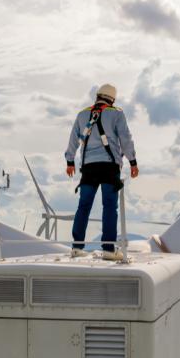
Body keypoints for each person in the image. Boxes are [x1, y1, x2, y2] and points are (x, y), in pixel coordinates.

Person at [65, 84, 139, 260]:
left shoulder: (82, 114)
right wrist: (133, 161)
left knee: (83, 206)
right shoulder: (116, 113)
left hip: (88, 167)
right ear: (112, 99)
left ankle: (76, 247)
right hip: (108, 166)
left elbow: (73, 138)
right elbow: (125, 138)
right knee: (109, 207)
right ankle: (108, 249)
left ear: (97, 96)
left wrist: (69, 161)